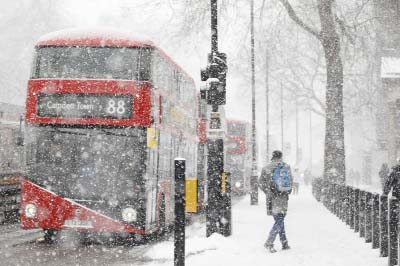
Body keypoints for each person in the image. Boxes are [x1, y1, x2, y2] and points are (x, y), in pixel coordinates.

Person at [259, 150, 292, 253]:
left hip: (271, 198)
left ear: (272, 157)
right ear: (281, 157)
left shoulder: (266, 168)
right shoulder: (286, 167)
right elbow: (290, 181)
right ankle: (270, 242)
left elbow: (260, 183)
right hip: (283, 197)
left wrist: (268, 192)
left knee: (278, 219)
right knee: (280, 219)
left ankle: (284, 242)